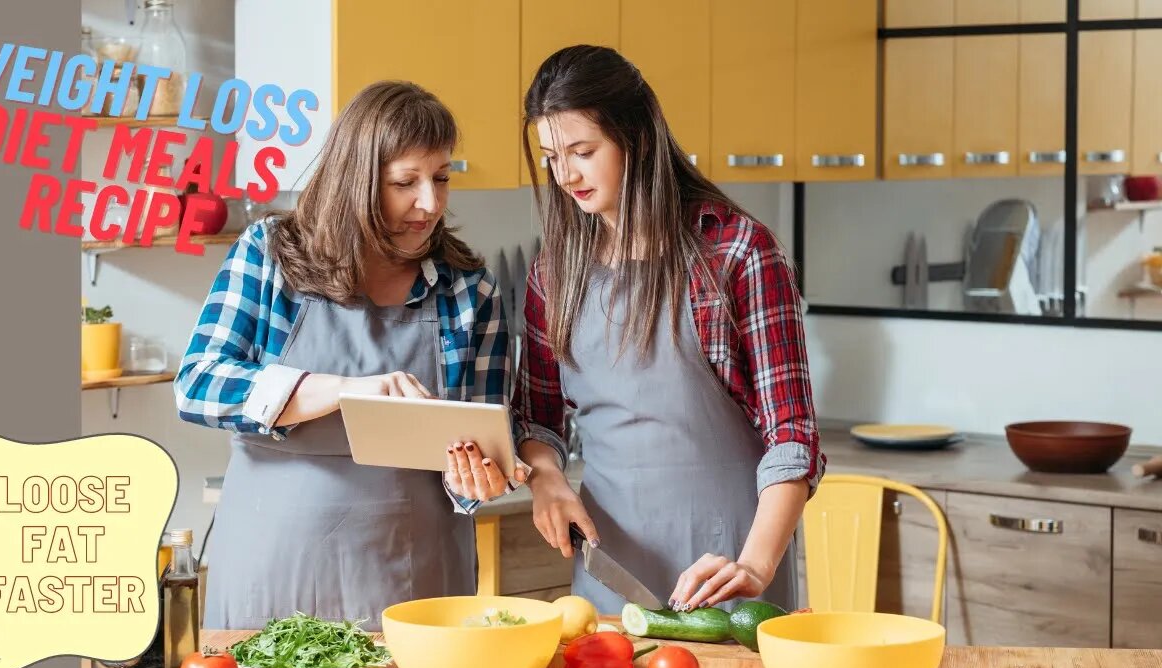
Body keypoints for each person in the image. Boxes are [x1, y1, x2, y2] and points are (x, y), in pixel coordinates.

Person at [175, 80, 526, 630]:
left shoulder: (468, 292)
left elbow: (482, 441)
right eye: (404, 183)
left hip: (415, 581)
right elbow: (198, 384)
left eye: (441, 178)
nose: (429, 204)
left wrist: (479, 480)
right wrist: (346, 389)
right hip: (273, 566)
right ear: (357, 181)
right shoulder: (271, 256)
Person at [511, 45, 826, 615]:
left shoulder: (737, 252)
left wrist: (754, 565)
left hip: (729, 567)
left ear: (639, 138)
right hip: (612, 573)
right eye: (552, 156)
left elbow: (793, 436)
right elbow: (537, 416)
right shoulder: (554, 272)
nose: (566, 175)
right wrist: (546, 479)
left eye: (583, 152)